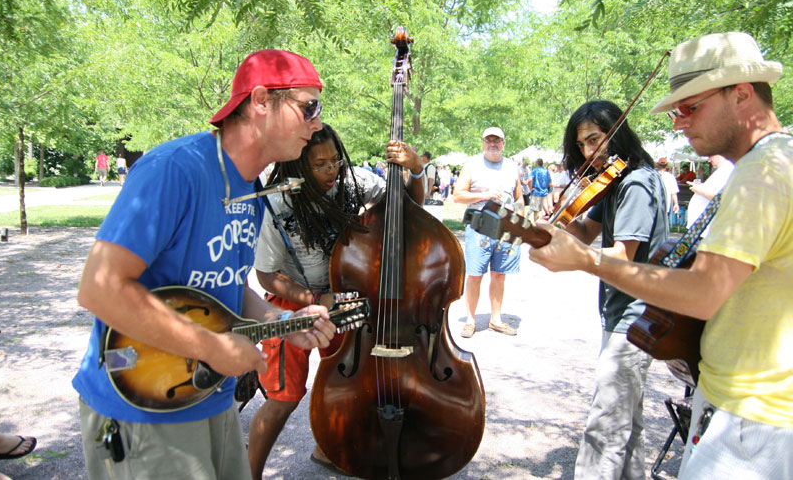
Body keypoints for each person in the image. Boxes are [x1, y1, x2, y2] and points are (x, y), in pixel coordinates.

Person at [530, 32, 791, 479]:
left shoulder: (762, 174)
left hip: (752, 418)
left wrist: (587, 260)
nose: (678, 122)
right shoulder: (763, 167)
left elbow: (705, 290)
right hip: (736, 404)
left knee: (607, 427)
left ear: (742, 94)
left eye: (690, 108)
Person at [72, 49, 337, 480]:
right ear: (261, 101)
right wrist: (212, 347)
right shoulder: (173, 170)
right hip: (143, 404)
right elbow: (99, 289)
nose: (318, 123)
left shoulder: (250, 191)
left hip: (210, 396)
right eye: (309, 107)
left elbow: (227, 286)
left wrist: (283, 319)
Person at [248, 123, 424, 479]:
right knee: (284, 398)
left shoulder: (351, 182)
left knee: (345, 381)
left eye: (335, 162)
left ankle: (327, 448)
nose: (331, 170)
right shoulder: (276, 201)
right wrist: (315, 298)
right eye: (320, 164)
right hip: (291, 300)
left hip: (339, 298)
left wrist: (416, 167)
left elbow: (410, 204)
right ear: (298, 164)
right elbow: (267, 276)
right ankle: (247, 472)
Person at [550, 100, 668, 479]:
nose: (589, 151)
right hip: (621, 312)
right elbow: (586, 232)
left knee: (605, 426)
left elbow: (622, 256)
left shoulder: (635, 182)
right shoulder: (615, 182)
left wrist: (575, 257)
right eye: (582, 145)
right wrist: (561, 218)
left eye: (595, 139)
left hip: (637, 316)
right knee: (626, 423)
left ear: (618, 132)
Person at [453, 126, 524, 338]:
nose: (492, 143)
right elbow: (457, 196)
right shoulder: (472, 165)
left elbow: (520, 198)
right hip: (479, 225)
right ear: (483, 143)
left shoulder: (512, 167)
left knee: (500, 275)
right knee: (475, 275)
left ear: (503, 143)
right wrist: (484, 196)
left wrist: (518, 213)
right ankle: (470, 320)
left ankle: (495, 319)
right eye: (488, 140)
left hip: (506, 227)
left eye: (497, 140)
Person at [686, 155, 734, 237]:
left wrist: (700, 190)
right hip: (701, 226)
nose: (708, 160)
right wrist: (700, 187)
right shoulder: (722, 170)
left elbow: (721, 198)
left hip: (705, 226)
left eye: (710, 156)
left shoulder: (727, 170)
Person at [656, 157, 680, 225]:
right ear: (666, 166)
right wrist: (676, 204)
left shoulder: (654, 175)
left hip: (654, 205)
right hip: (665, 205)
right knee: (663, 225)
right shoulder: (671, 177)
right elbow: (674, 193)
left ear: (657, 164)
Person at [527, 158, 551, 224]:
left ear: (537, 163)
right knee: (547, 211)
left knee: (536, 212)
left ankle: (536, 226)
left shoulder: (535, 171)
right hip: (545, 193)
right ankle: (547, 226)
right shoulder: (546, 171)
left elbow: (529, 180)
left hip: (536, 192)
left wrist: (530, 188)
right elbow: (549, 182)